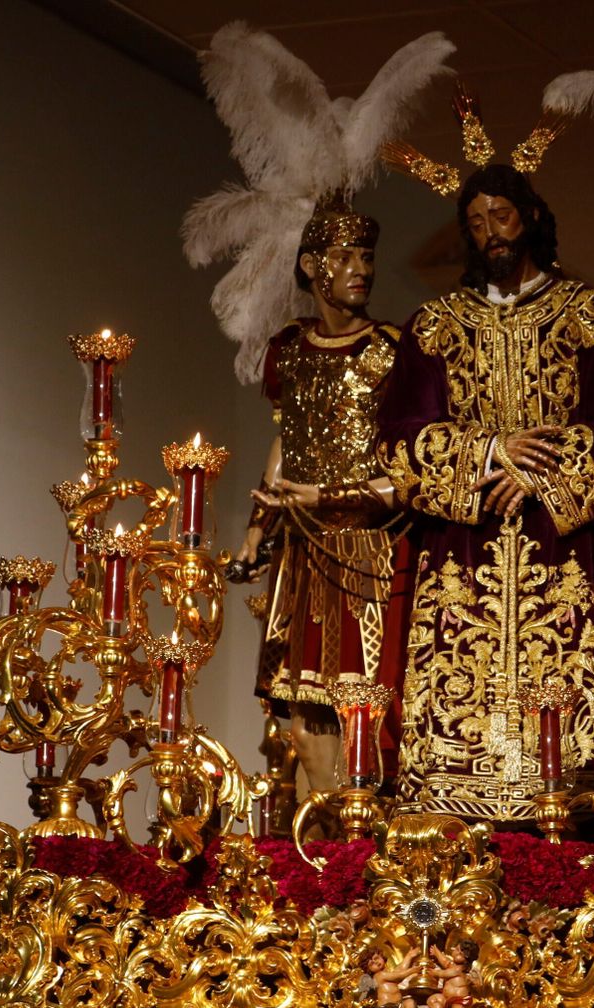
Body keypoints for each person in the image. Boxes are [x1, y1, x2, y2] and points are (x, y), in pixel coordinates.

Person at [378, 131, 594, 827]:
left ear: (531, 217)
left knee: (580, 723)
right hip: (468, 548)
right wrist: (490, 452)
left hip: (572, 546)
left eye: (500, 217)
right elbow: (398, 440)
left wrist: (545, 471)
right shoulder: (435, 326)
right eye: (475, 224)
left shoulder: (588, 315)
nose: (490, 234)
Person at [225, 201, 408, 799]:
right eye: (345, 257)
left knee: (366, 721)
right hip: (302, 554)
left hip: (368, 554)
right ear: (311, 266)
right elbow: (288, 439)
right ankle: (325, 859)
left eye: (367, 257)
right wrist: (259, 530)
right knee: (305, 728)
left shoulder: (392, 352)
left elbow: (413, 464)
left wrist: (338, 498)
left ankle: (361, 852)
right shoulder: (291, 352)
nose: (362, 270)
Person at [424, 939, 479, 1008]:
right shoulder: (453, 966)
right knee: (432, 1000)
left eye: (459, 951)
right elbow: (445, 961)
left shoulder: (459, 969)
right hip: (446, 999)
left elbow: (444, 973)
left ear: (466, 957)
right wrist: (436, 953)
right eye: (456, 949)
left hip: (458, 1000)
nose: (455, 952)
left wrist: (435, 973)